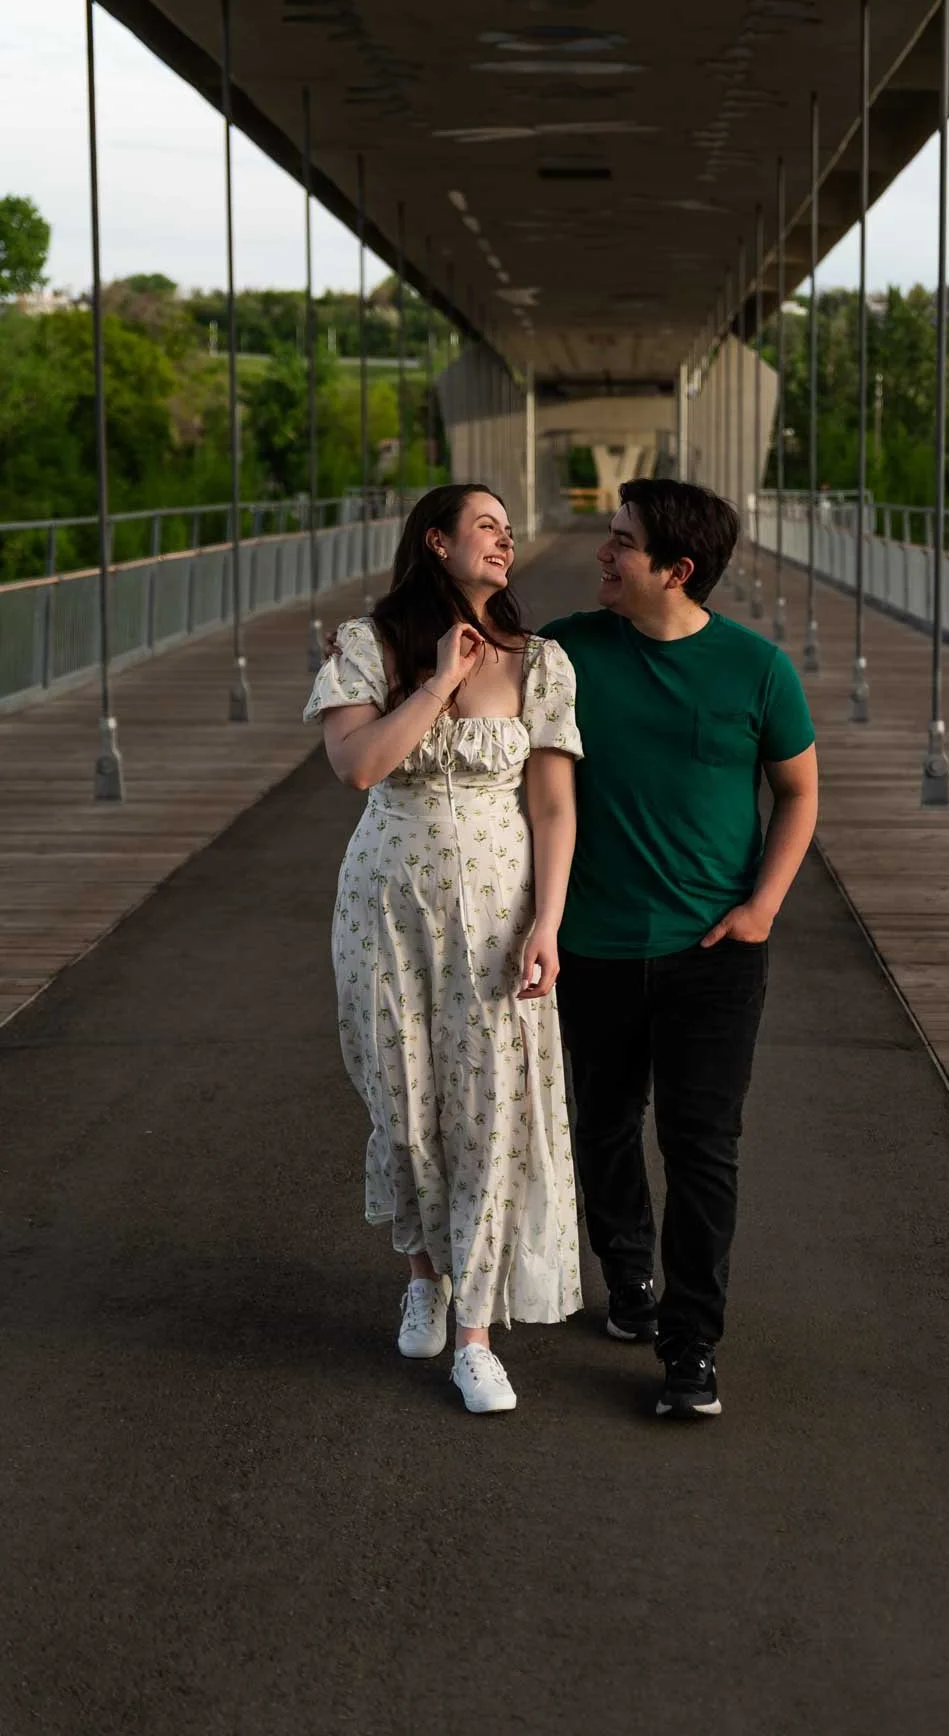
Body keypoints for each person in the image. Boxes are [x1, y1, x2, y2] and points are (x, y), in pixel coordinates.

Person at [303, 482, 583, 1414]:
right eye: (487, 527)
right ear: (436, 542)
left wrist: (548, 921)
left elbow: (550, 802)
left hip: (501, 910)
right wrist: (434, 682)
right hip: (387, 907)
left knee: (490, 1108)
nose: (505, 542)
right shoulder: (367, 645)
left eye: (509, 530)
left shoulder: (540, 661)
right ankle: (425, 1273)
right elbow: (359, 767)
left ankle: (476, 1335)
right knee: (405, 1099)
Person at [543, 478, 818, 1420]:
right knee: (606, 1123)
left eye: (620, 542)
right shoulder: (568, 652)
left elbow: (799, 793)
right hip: (597, 946)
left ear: (677, 568)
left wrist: (763, 908)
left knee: (702, 1145)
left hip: (716, 952)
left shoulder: (757, 669)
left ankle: (692, 1343)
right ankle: (628, 1282)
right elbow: (461, 654)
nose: (602, 554)